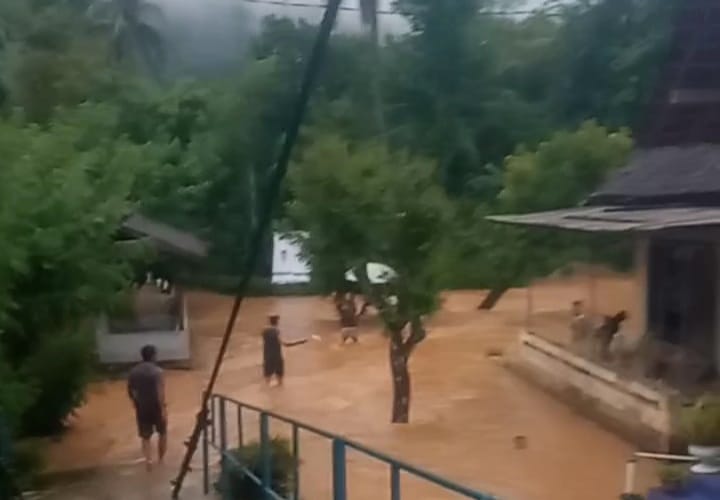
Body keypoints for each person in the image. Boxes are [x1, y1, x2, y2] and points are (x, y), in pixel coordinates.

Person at [127, 344, 167, 470]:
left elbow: (131, 390)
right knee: (163, 433)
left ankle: (148, 461)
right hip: (156, 406)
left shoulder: (133, 372)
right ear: (154, 356)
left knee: (145, 436)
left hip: (142, 407)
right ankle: (161, 461)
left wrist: (135, 402)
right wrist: (163, 409)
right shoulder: (158, 372)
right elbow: (160, 392)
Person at [263, 314, 285, 386]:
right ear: (276, 321)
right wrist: (300, 341)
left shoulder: (264, 331)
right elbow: (285, 344)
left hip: (267, 357)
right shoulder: (276, 331)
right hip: (277, 357)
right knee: (280, 382)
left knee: (267, 381)